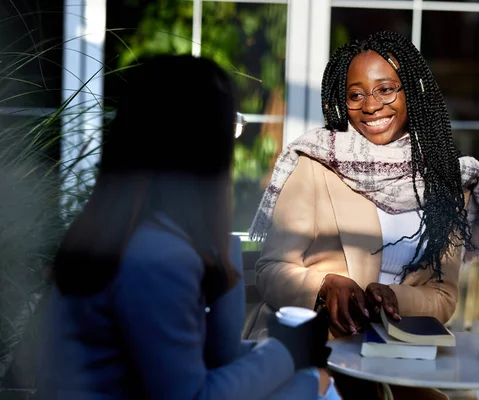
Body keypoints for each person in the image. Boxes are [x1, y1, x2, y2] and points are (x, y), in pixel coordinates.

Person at [34, 55, 339, 400]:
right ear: (203, 143)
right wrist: (290, 355)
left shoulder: (126, 233)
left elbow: (213, 357)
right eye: (231, 126)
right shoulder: (156, 255)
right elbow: (193, 395)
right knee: (311, 389)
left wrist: (286, 357)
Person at [243, 31, 479, 399]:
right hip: (314, 352)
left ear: (411, 91)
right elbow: (269, 270)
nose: (371, 106)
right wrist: (324, 286)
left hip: (395, 359)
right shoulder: (316, 164)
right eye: (356, 94)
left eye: (385, 90)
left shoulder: (447, 182)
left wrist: (395, 297)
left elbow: (443, 295)